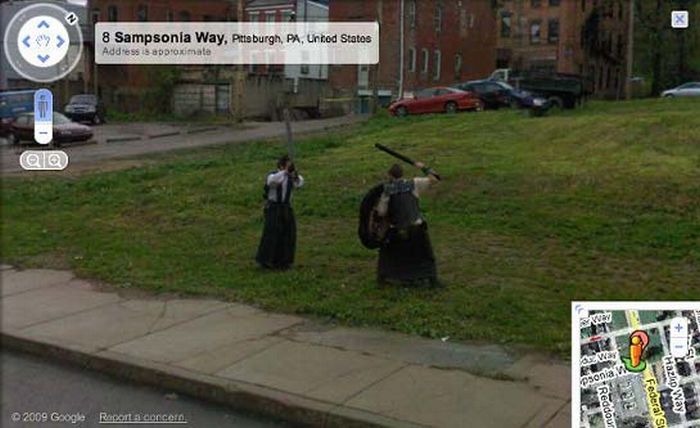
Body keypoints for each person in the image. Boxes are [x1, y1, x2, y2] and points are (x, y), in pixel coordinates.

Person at [375, 162, 440, 287]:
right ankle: (431, 278)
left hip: (397, 229)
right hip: (416, 227)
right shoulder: (414, 183)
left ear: (390, 175)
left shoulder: (387, 191)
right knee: (425, 254)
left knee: (388, 255)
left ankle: (385, 278)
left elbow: (381, 212)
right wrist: (423, 167)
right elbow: (435, 178)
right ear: (402, 174)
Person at [256, 155, 304, 269]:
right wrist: (285, 172)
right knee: (272, 234)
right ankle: (267, 260)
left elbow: (300, 183)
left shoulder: (291, 177)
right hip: (274, 207)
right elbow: (272, 181)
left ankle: (284, 261)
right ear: (281, 166)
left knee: (288, 234)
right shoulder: (273, 175)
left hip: (286, 207)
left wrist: (294, 175)